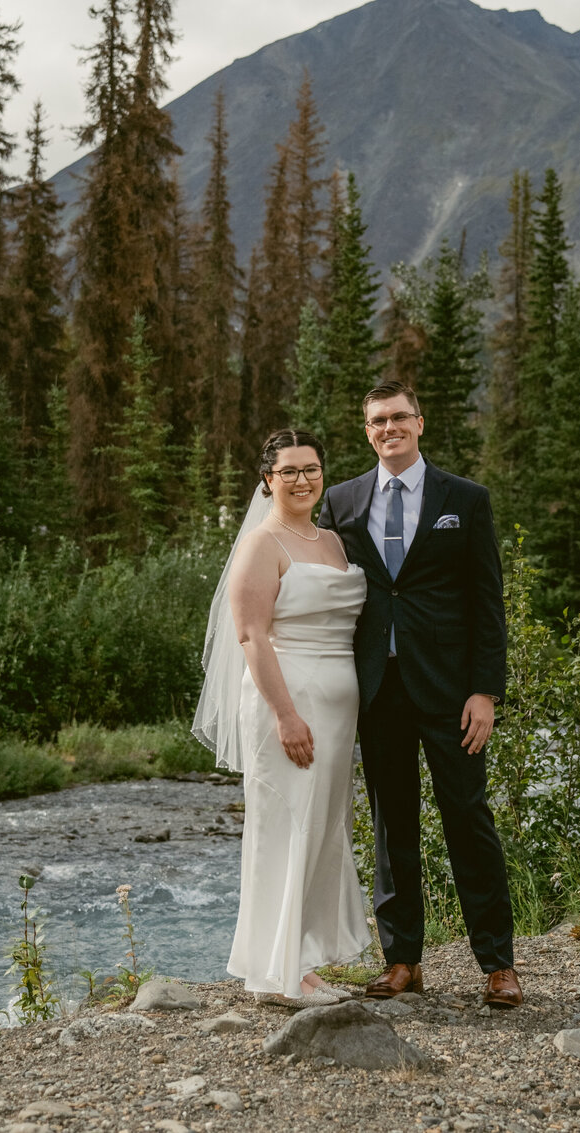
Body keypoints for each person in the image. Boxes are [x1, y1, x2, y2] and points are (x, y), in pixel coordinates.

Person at [318, 381, 522, 1008]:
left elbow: (487, 605)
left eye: (399, 417)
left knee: (469, 820)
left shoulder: (466, 499)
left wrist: (485, 691)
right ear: (367, 430)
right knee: (390, 826)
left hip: (451, 694)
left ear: (420, 423)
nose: (389, 428)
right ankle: (402, 959)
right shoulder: (341, 502)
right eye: (378, 421)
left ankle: (497, 965)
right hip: (377, 691)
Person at [192, 428, 372, 1005]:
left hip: (339, 710)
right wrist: (286, 716)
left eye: (311, 468)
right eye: (289, 471)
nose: (302, 480)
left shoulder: (333, 540)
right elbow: (251, 635)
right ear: (267, 479)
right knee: (285, 830)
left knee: (320, 832)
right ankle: (276, 974)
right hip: (287, 704)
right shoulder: (263, 543)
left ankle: (297, 959)